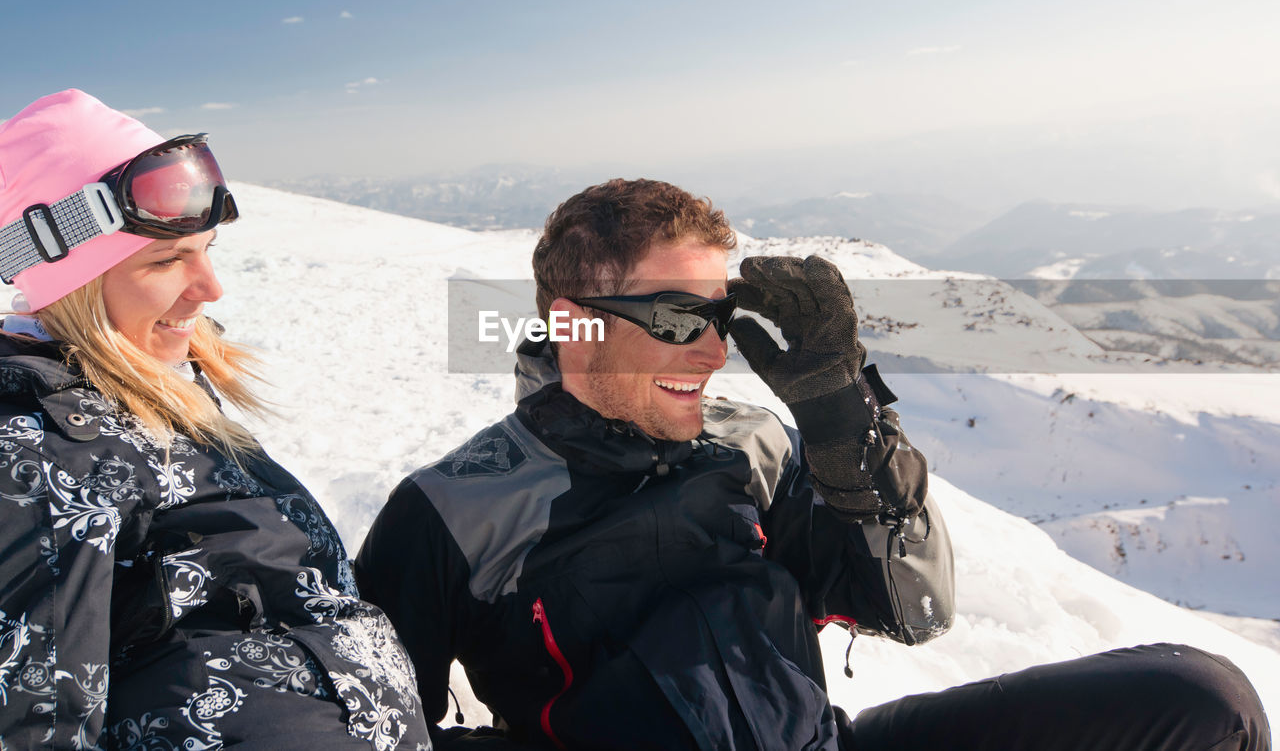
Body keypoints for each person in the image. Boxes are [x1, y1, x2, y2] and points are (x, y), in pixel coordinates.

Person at [356, 178, 1270, 751]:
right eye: (677, 319)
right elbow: (376, 733)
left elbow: (912, 609)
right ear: (571, 324)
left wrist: (839, 415)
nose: (712, 352)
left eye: (720, 318)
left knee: (1202, 701)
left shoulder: (753, 446)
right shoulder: (451, 509)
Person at [0, 90, 433, 750]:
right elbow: (35, 723)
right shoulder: (38, 452)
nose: (210, 287)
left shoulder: (154, 383)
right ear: (71, 285)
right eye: (166, 260)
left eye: (206, 250)